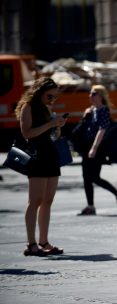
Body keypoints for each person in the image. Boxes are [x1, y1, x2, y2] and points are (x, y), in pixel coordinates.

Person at [15, 77, 67, 256]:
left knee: (48, 201)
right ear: (40, 92)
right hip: (37, 156)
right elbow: (27, 133)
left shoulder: (47, 108)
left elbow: (53, 134)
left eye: (55, 97)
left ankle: (44, 241)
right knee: (35, 201)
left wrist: (57, 126)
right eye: (50, 96)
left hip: (51, 155)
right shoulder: (27, 107)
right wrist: (50, 124)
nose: (52, 100)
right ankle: (31, 244)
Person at [78, 85, 117, 215]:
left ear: (101, 96)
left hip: (98, 147)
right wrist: (85, 116)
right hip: (86, 146)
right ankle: (90, 206)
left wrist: (94, 148)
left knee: (94, 177)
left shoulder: (104, 110)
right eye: (90, 94)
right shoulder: (90, 110)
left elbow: (102, 130)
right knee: (86, 178)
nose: (90, 96)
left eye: (94, 94)